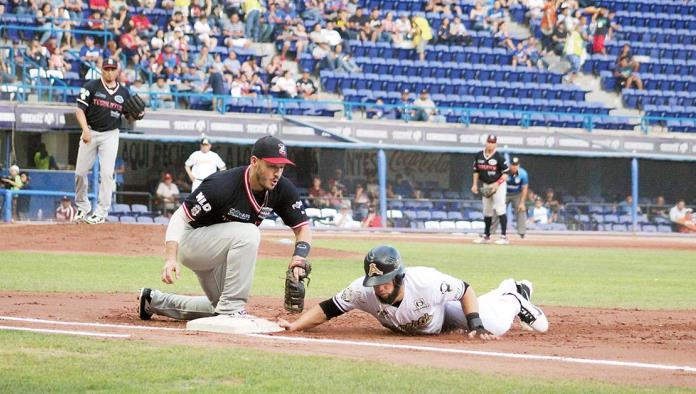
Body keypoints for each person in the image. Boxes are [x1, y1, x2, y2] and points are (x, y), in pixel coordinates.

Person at [138, 135, 312, 323]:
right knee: (249, 233)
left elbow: (302, 227)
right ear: (254, 162)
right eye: (271, 166)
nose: (277, 173)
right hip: (194, 242)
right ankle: (232, 309)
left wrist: (299, 258)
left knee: (218, 306)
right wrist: (171, 258)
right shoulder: (222, 185)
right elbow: (180, 217)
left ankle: (153, 301)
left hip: (221, 249)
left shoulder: (282, 189)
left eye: (281, 167)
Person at [279, 245, 548, 337]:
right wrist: (295, 326)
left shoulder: (427, 282)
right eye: (375, 282)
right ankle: (510, 290)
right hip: (425, 324)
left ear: (399, 277)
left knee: (495, 324)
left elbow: (465, 289)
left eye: (385, 281)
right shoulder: (362, 290)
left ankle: (512, 296)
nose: (380, 288)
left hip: (443, 315)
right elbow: (328, 308)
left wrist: (476, 325)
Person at [74, 58, 144, 224]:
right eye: (107, 69)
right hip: (90, 130)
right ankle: (83, 207)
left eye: (113, 69)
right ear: (101, 70)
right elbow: (79, 110)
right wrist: (84, 130)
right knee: (80, 173)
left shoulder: (124, 92)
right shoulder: (91, 86)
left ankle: (101, 212)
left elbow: (128, 117)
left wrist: (137, 116)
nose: (110, 72)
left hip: (110, 134)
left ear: (117, 71)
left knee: (106, 174)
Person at [472, 134, 510, 244]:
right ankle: (487, 236)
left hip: (498, 185)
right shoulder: (479, 155)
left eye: (493, 142)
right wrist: (474, 184)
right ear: (486, 142)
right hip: (486, 184)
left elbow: (506, 174)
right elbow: (476, 171)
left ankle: (504, 236)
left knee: (500, 209)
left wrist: (497, 184)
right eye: (489, 141)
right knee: (487, 210)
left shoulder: (499, 157)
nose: (490, 144)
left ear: (496, 144)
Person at [491, 157, 528, 239]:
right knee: (497, 209)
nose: (515, 167)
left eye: (516, 165)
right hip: (505, 193)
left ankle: (522, 232)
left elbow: (525, 188)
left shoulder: (523, 174)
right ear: (510, 165)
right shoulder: (504, 172)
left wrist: (522, 203)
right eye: (513, 165)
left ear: (519, 166)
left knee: (521, 209)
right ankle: (490, 231)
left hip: (517, 194)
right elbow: (497, 183)